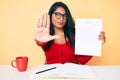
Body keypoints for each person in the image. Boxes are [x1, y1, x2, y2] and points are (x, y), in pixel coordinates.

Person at [34, 1, 106, 65]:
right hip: (50, 74)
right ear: (50, 15)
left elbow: (82, 60)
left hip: (72, 73)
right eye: (57, 14)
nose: (61, 19)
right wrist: (40, 40)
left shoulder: (75, 34)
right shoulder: (46, 35)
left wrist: (95, 44)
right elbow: (41, 41)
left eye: (64, 16)